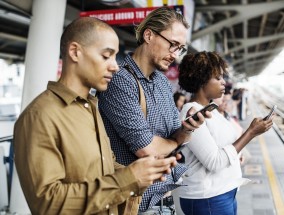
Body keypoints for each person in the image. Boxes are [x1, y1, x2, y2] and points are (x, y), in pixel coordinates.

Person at [13, 17, 180, 215]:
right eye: (106, 56)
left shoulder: (90, 107)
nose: (115, 66)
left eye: (115, 57)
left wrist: (144, 172)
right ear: (75, 52)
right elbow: (47, 202)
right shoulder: (39, 116)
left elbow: (104, 169)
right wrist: (128, 179)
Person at [98, 7, 210, 215]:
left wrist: (187, 129)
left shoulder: (162, 81)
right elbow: (147, 149)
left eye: (181, 49)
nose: (175, 55)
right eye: (173, 45)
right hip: (137, 205)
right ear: (149, 35)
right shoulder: (121, 81)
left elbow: (176, 136)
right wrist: (176, 140)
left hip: (166, 200)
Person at [174, 51, 273, 215]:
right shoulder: (191, 113)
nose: (224, 83)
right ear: (202, 80)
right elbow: (214, 162)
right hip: (208, 199)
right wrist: (251, 132)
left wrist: (237, 153)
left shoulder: (212, 110)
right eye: (218, 78)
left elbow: (226, 146)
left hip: (224, 193)